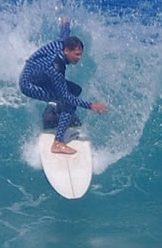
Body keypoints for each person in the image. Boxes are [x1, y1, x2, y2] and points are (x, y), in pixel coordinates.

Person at [19, 18, 108, 155]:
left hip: (39, 75)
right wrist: (91, 106)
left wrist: (65, 24)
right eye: (77, 54)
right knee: (69, 103)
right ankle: (58, 143)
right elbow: (65, 96)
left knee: (76, 90)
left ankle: (56, 115)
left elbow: (64, 36)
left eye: (81, 54)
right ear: (67, 51)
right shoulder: (56, 67)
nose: (79, 58)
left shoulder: (62, 45)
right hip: (30, 84)